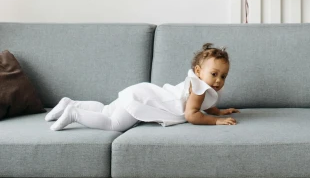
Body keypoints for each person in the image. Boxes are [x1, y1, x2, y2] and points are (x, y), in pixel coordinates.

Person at [45, 43, 239, 132]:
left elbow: (203, 106)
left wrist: (219, 111)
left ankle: (71, 103)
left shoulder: (201, 86)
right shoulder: (198, 87)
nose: (218, 80)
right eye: (214, 74)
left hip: (142, 92)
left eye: (223, 76)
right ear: (198, 71)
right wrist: (215, 121)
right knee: (113, 124)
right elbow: (192, 114)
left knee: (106, 110)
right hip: (144, 101)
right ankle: (74, 114)